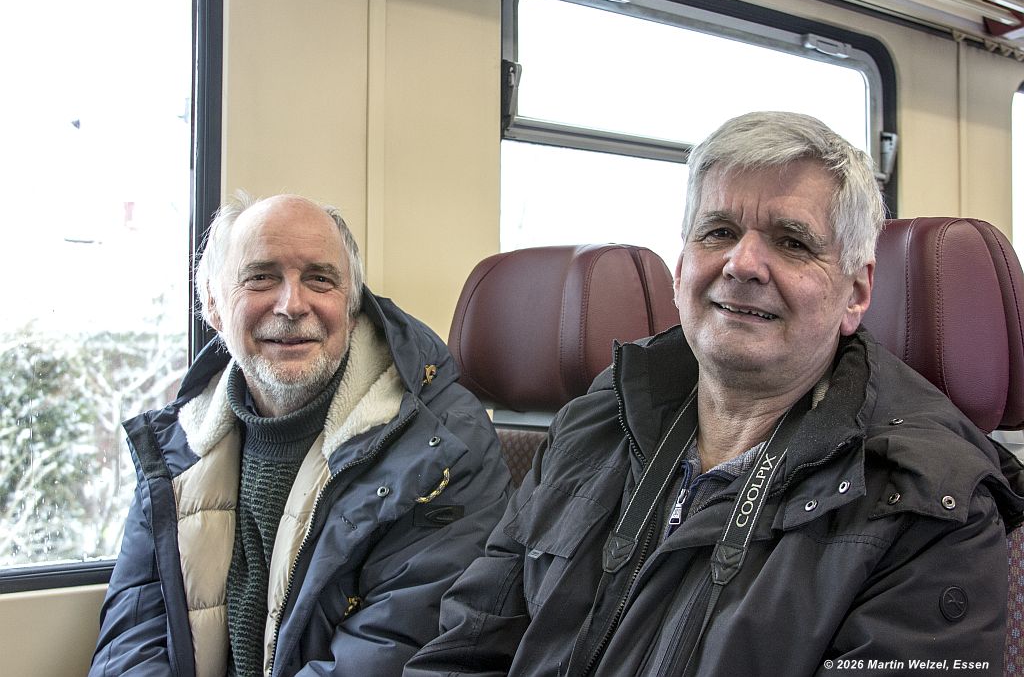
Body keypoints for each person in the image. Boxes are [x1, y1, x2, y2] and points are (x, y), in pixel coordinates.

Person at [404, 112, 1024, 676]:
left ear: (856, 293)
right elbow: (465, 652)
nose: (742, 264)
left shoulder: (929, 502)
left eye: (792, 241)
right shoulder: (592, 427)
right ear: (680, 270)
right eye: (718, 232)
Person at [90, 192, 510, 676]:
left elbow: (393, 652)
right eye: (261, 277)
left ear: (351, 308)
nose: (292, 305)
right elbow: (132, 639)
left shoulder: (443, 444)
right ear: (214, 306)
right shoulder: (177, 448)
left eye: (320, 279)